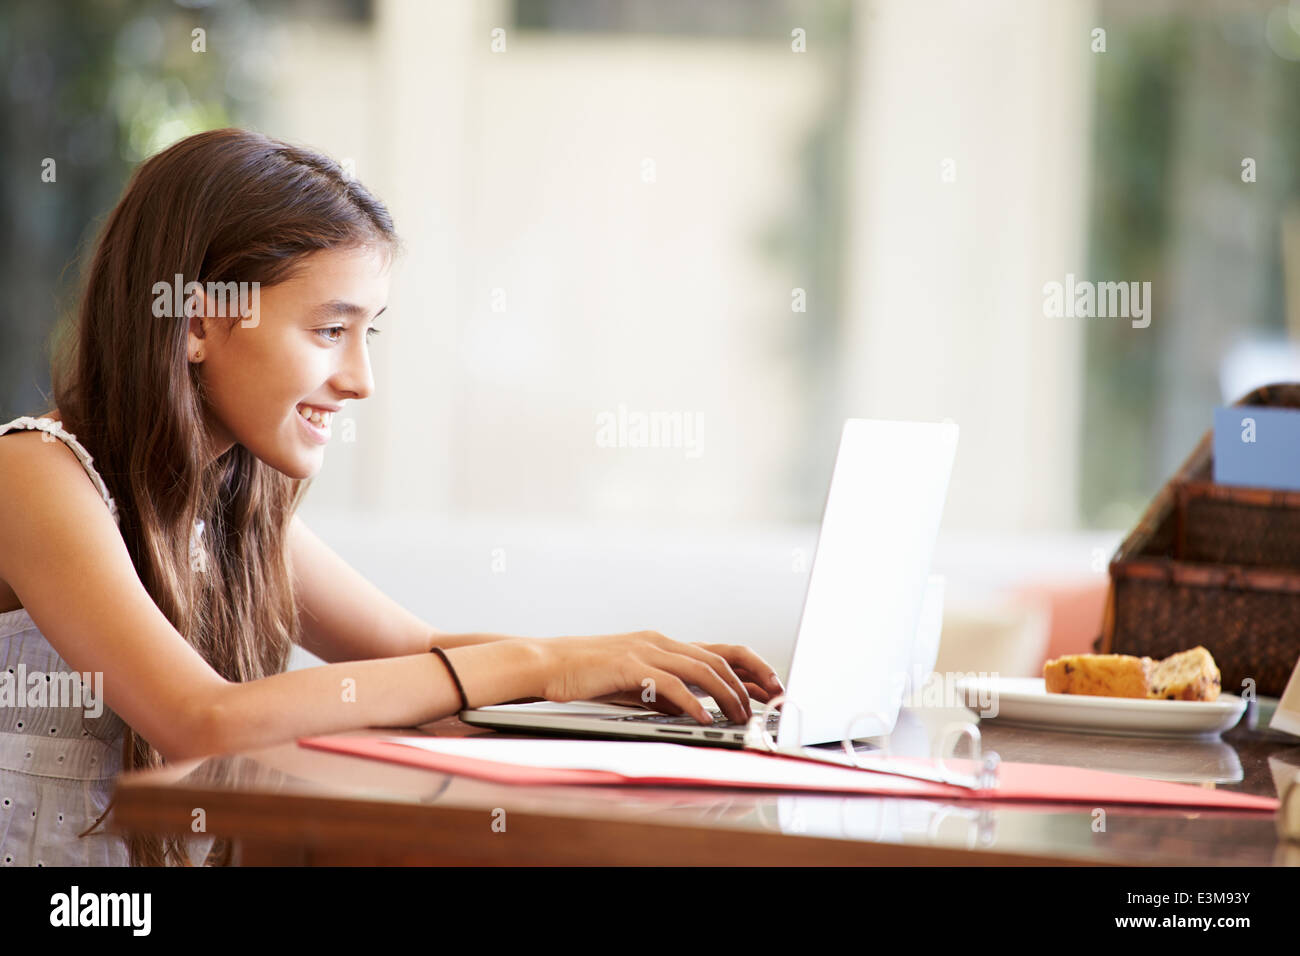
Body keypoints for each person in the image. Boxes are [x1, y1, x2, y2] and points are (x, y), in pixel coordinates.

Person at [0, 128, 783, 867]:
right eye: (327, 331)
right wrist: (544, 663)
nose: (359, 380)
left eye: (367, 334)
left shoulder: (231, 498)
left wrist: (621, 679)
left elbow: (415, 658)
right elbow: (201, 718)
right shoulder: (36, 474)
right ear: (196, 322)